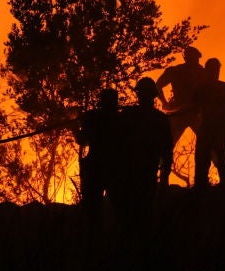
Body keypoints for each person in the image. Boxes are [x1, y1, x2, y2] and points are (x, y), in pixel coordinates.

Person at [109, 77, 173, 262]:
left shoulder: (127, 115)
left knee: (126, 218)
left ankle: (126, 255)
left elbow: (114, 144)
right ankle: (143, 255)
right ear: (154, 96)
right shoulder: (160, 119)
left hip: (128, 175)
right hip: (145, 174)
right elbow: (167, 151)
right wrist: (164, 178)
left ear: (138, 95)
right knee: (143, 216)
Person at [193, 58, 225, 189]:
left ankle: (202, 191)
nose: (216, 72)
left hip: (209, 133)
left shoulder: (201, 89)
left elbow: (193, 110)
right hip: (216, 133)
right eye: (214, 70)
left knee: (205, 164)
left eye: (217, 70)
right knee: (221, 163)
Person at [75, 87, 121, 221]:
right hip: (114, 169)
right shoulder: (121, 119)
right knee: (117, 210)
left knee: (94, 211)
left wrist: (79, 127)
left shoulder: (92, 118)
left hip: (97, 168)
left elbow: (81, 140)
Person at [155, 46, 206, 150]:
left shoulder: (202, 73)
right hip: (183, 114)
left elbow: (158, 85)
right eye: (194, 58)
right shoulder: (176, 71)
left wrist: (165, 103)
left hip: (194, 113)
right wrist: (164, 102)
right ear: (188, 58)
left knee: (208, 144)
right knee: (167, 145)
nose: (196, 61)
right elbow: (158, 85)